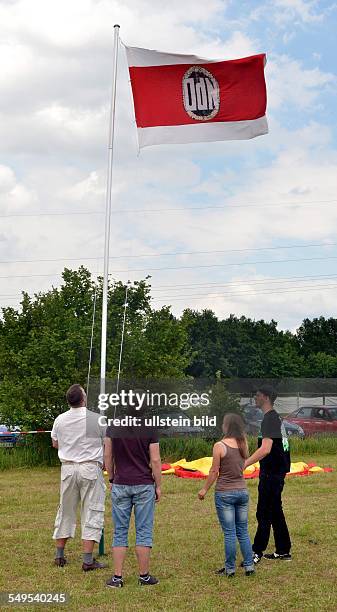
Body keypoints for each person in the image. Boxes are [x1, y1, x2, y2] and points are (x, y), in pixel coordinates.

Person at [51, 384, 107, 571]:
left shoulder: (60, 419)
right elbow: (106, 443)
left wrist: (70, 447)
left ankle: (59, 555)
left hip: (68, 468)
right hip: (90, 468)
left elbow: (55, 443)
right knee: (92, 510)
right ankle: (88, 560)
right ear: (83, 398)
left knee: (65, 509)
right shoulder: (96, 420)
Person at [104, 424, 162, 588]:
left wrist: (112, 478)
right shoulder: (150, 427)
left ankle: (117, 577)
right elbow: (156, 460)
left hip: (121, 483)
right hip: (144, 484)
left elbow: (107, 455)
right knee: (144, 530)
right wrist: (158, 486)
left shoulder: (113, 427)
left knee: (120, 531)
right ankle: (144, 576)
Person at [198, 413, 255, 577]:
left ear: (227, 426)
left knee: (229, 533)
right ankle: (249, 566)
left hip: (225, 493)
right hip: (242, 492)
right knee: (243, 531)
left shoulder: (219, 446)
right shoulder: (243, 443)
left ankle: (230, 569)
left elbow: (214, 471)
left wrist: (204, 490)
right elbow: (242, 465)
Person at [245, 385, 291, 563]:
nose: (255, 398)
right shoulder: (275, 418)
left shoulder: (269, 420)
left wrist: (244, 463)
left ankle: (256, 552)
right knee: (275, 511)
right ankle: (283, 549)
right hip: (278, 472)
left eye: (257, 395)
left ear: (265, 397)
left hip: (271, 473)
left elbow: (265, 449)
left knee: (264, 512)